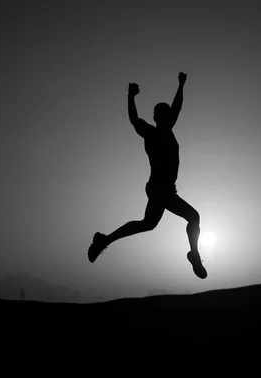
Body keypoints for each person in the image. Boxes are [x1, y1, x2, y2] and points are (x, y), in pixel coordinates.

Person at [88, 72, 207, 279]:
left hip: (163, 189)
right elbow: (135, 119)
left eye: (167, 113)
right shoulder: (152, 133)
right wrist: (131, 96)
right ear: (156, 118)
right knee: (193, 217)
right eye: (163, 114)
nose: (168, 116)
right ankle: (194, 255)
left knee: (148, 224)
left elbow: (175, 107)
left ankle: (104, 240)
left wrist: (180, 86)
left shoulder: (165, 129)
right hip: (160, 189)